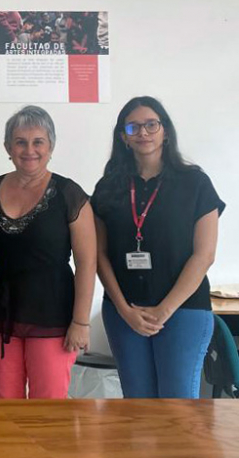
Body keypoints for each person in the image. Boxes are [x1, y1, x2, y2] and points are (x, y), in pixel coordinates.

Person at [91, 96, 223, 398]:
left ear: (165, 131)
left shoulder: (195, 183)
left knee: (177, 405)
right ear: (123, 137)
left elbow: (204, 255)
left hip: (183, 310)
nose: (143, 132)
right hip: (125, 312)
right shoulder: (108, 187)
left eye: (151, 124)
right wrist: (124, 309)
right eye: (133, 127)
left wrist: (165, 310)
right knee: (138, 406)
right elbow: (99, 255)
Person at [0, 105, 96, 399]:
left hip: (54, 319)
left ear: (51, 146)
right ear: (8, 147)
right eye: (20, 142)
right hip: (2, 316)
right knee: (3, 411)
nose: (29, 150)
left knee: (48, 412)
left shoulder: (69, 194)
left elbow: (87, 263)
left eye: (38, 142)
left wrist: (81, 322)